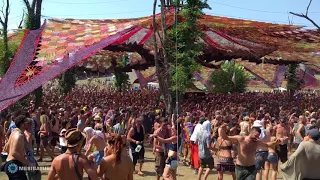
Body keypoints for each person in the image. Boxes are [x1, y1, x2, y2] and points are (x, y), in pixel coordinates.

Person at [3, 115, 30, 180]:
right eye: (27, 123)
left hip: (10, 163)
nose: (29, 125)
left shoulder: (13, 132)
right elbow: (14, 153)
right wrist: (27, 163)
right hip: (14, 164)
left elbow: (6, 148)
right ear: (22, 124)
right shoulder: (19, 135)